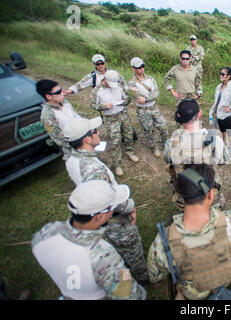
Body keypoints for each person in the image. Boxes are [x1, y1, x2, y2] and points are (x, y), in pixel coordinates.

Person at [147, 164, 231, 300]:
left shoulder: (163, 242)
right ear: (211, 193)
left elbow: (155, 276)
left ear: (181, 196)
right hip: (221, 285)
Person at [63, 116, 150, 284]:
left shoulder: (72, 159)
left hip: (97, 215)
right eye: (94, 131)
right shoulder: (94, 170)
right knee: (132, 248)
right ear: (87, 139)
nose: (98, 132)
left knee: (118, 247)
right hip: (114, 219)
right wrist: (130, 207)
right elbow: (111, 200)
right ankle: (143, 277)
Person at [31, 180, 147, 300]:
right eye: (112, 207)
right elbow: (131, 295)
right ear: (99, 217)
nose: (114, 209)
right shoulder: (104, 257)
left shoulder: (45, 234)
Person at [164, 99, 227, 210]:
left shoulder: (171, 143)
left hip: (185, 192)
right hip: (208, 190)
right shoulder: (216, 141)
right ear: (200, 113)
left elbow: (168, 160)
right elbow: (223, 161)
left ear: (180, 119)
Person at [91, 69, 139, 176]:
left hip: (123, 114)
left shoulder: (119, 85)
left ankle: (130, 152)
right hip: (111, 118)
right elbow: (93, 105)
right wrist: (104, 106)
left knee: (129, 134)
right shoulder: (97, 91)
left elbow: (127, 99)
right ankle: (117, 164)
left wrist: (125, 101)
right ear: (105, 80)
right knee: (114, 140)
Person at [128, 57, 168, 158]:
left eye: (142, 66)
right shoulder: (132, 83)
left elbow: (156, 94)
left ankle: (165, 144)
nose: (141, 69)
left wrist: (146, 99)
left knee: (163, 127)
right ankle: (154, 147)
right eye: (138, 67)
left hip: (153, 107)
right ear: (133, 68)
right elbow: (138, 97)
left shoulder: (150, 79)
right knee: (148, 130)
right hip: (143, 111)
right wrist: (149, 97)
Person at [36, 79, 81, 160]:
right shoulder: (47, 115)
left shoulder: (64, 102)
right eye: (58, 92)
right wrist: (82, 141)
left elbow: (76, 116)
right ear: (48, 96)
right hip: (73, 153)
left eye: (61, 90)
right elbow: (59, 139)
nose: (62, 93)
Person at [208, 67, 231, 149]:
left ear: (228, 76)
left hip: (226, 115)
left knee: (229, 131)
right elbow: (217, 101)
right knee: (223, 130)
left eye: (223, 74)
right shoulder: (218, 86)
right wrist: (213, 111)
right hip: (219, 113)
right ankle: (223, 144)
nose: (220, 75)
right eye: (220, 73)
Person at [64, 54, 128, 95]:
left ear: (105, 63)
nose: (100, 66)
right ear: (94, 64)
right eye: (98, 64)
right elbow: (80, 84)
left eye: (102, 63)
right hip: (102, 101)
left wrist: (126, 93)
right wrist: (69, 91)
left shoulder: (113, 73)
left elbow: (123, 82)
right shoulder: (92, 76)